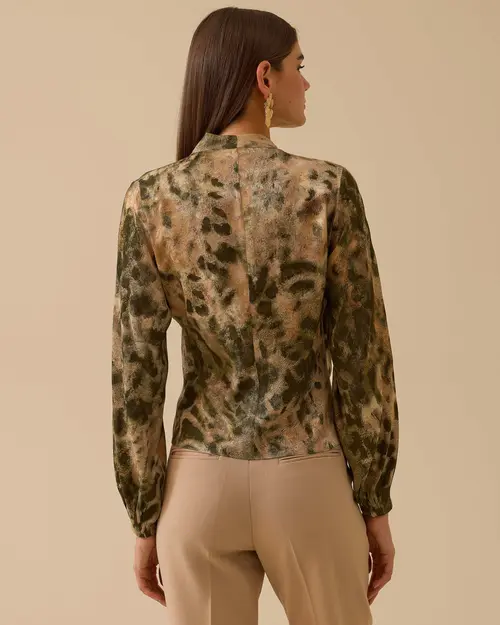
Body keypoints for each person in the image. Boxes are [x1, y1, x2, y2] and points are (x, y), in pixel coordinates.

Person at [111, 6, 399, 624]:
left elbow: (135, 376)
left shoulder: (151, 199)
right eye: (299, 65)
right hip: (308, 478)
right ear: (265, 78)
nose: (307, 81)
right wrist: (375, 501)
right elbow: (362, 362)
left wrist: (145, 515)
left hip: (198, 488)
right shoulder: (326, 189)